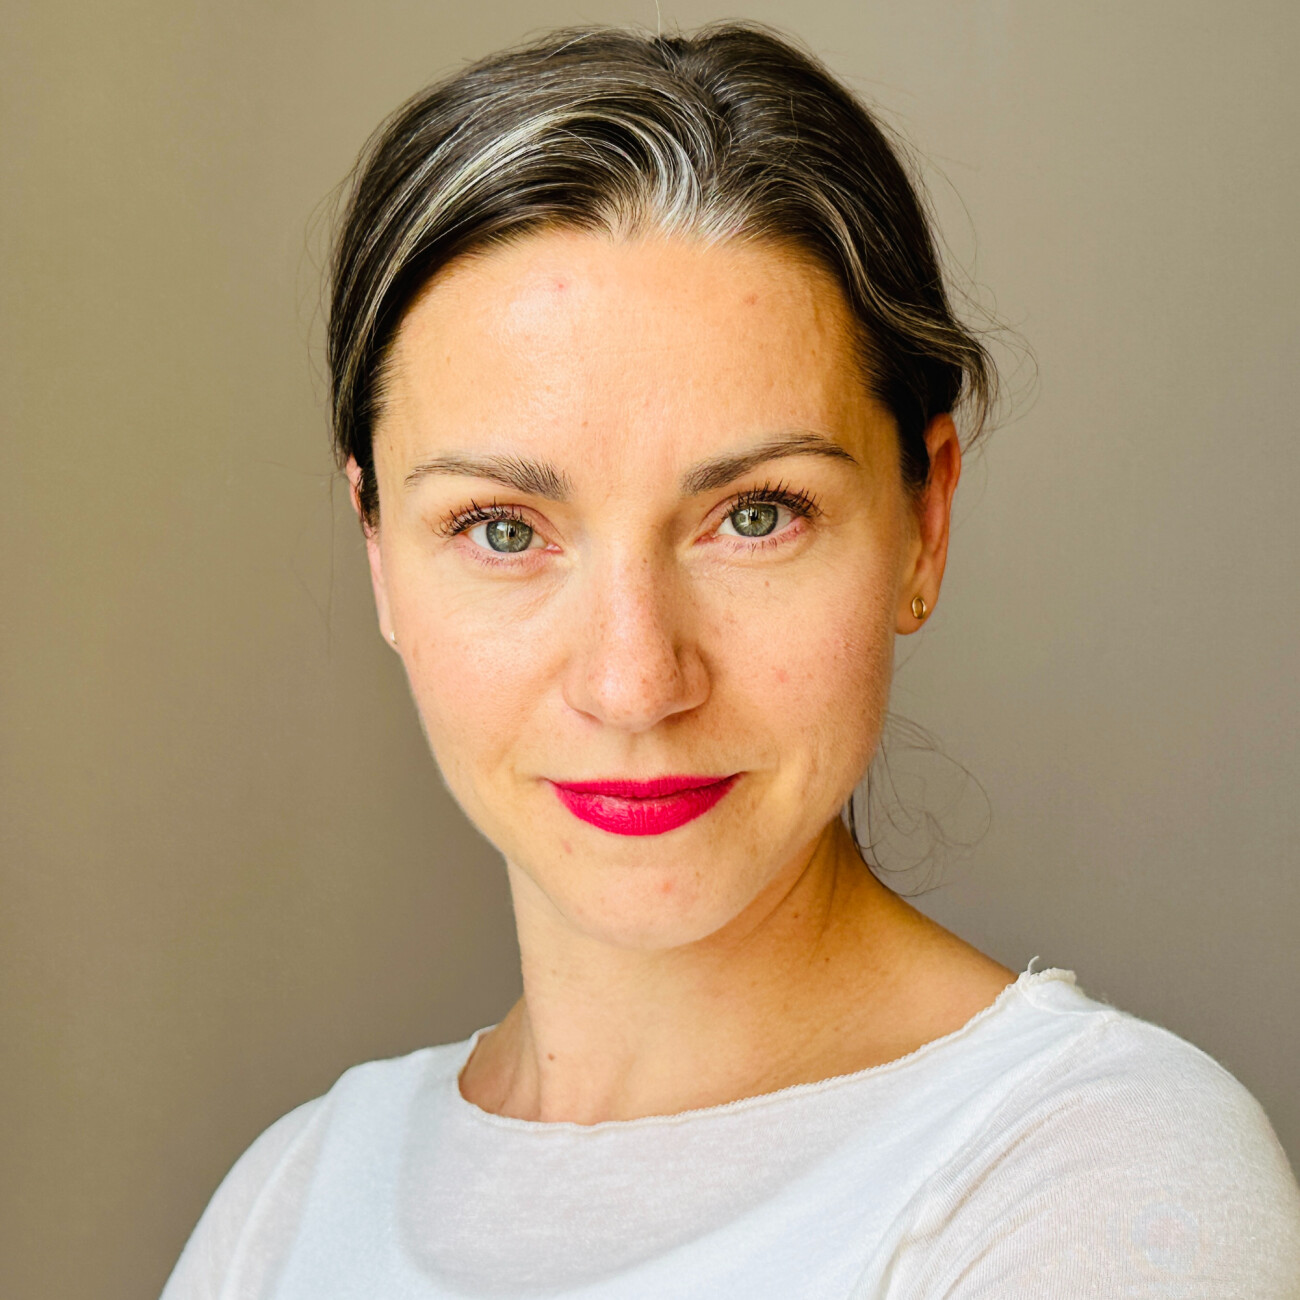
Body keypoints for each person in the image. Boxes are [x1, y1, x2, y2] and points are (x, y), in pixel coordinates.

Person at [161, 22, 1300, 1298]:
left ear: (924, 519)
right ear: (378, 550)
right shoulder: (292, 1199)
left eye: (754, 515)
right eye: (502, 529)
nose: (634, 682)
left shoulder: (1103, 1181)